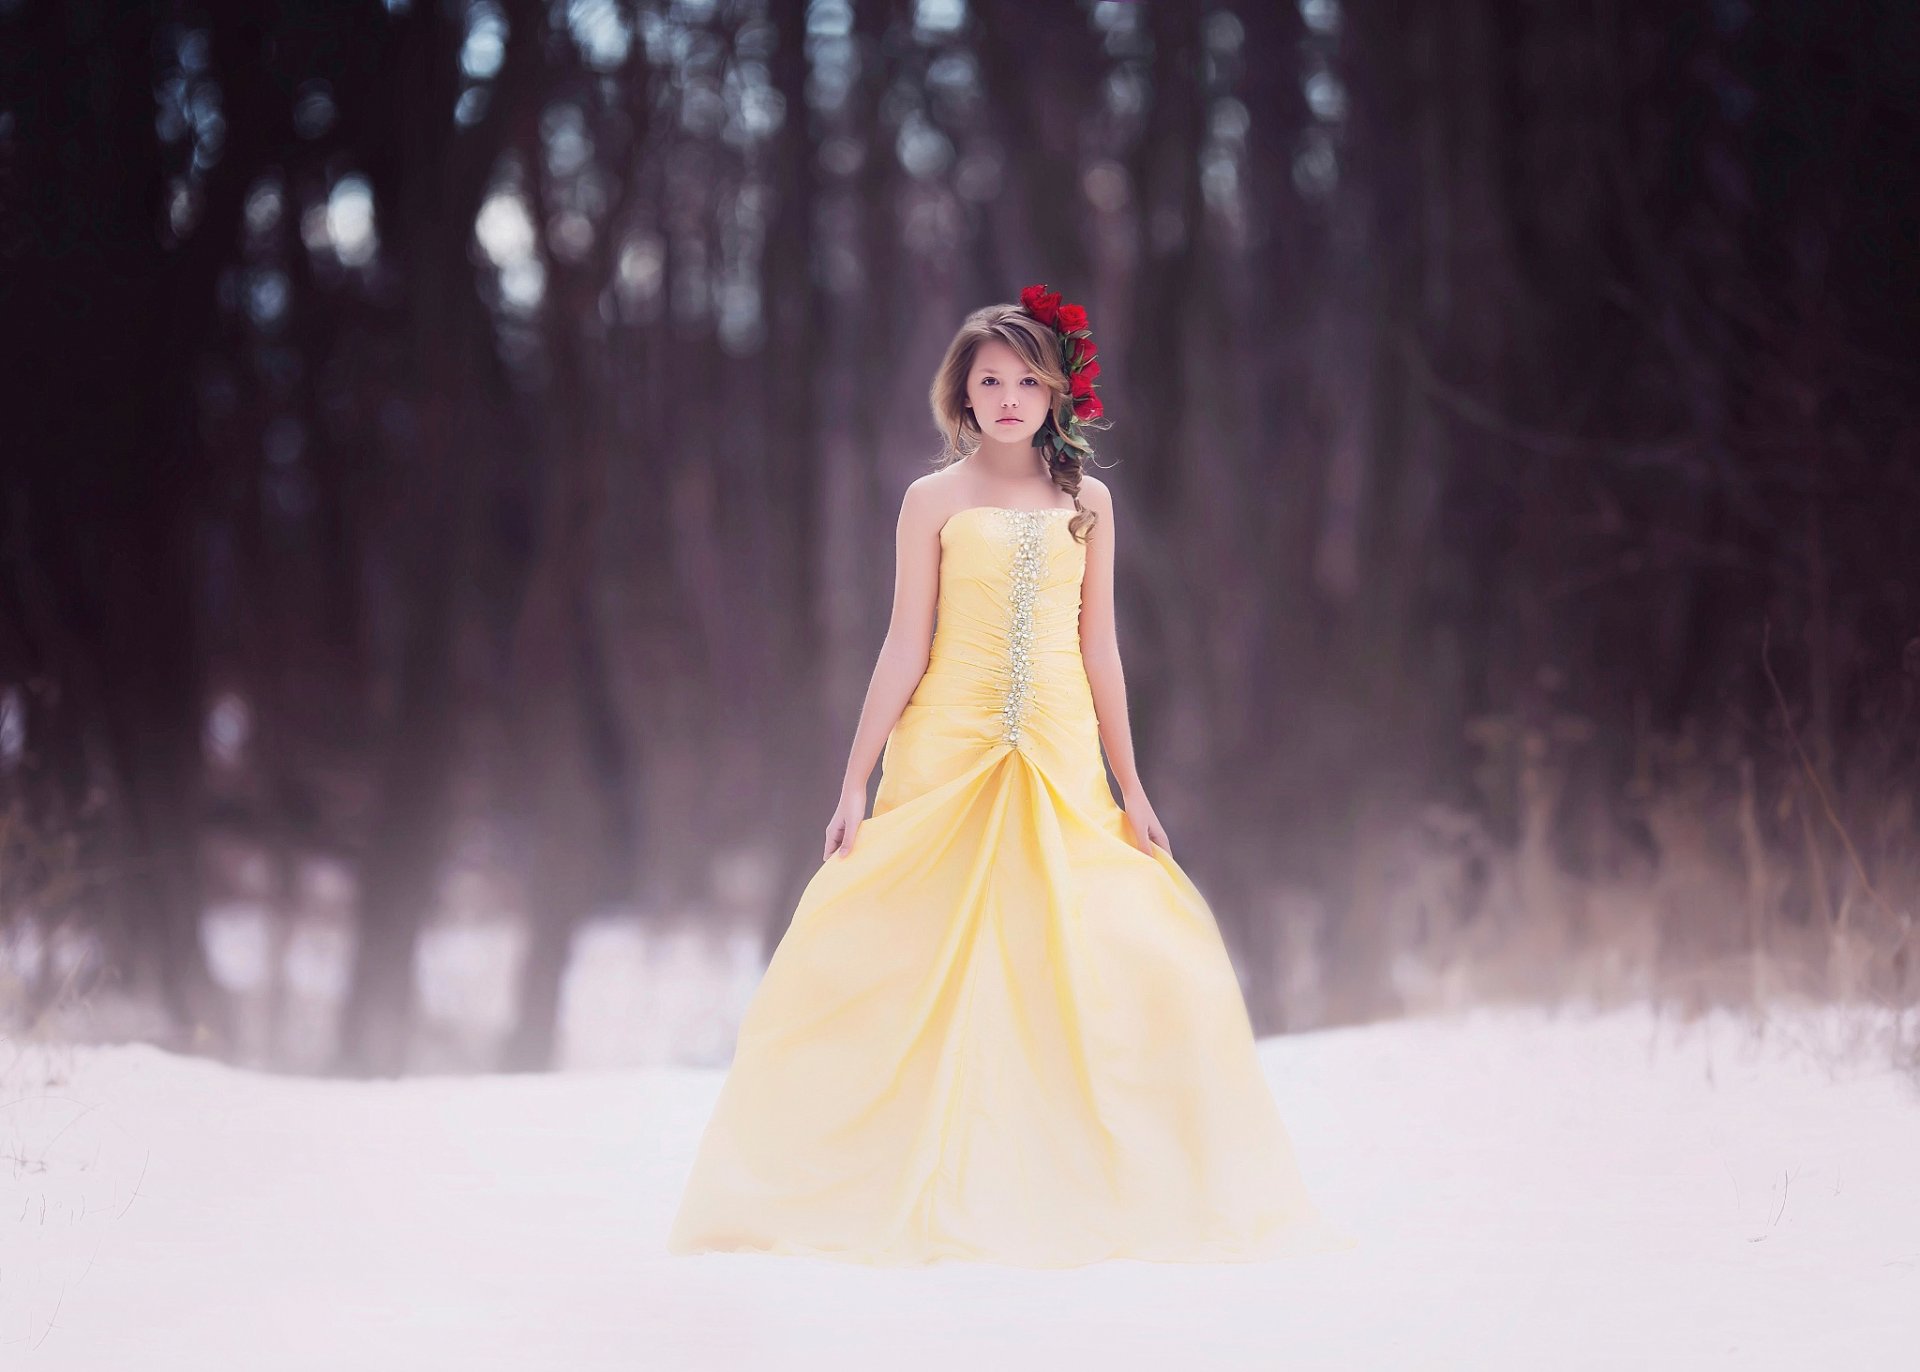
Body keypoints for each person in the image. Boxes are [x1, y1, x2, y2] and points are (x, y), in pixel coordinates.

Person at [666, 285, 1356, 1266]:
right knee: (915, 950)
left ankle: (1094, 1176)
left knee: (1106, 943)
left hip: (1063, 751)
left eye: (1026, 380)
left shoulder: (1088, 501)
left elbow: (1102, 648)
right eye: (988, 379)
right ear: (962, 393)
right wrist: (852, 782)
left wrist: (1133, 786)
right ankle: (883, 1172)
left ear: (1056, 392)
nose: (1006, 396)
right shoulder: (932, 500)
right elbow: (904, 642)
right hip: (948, 746)